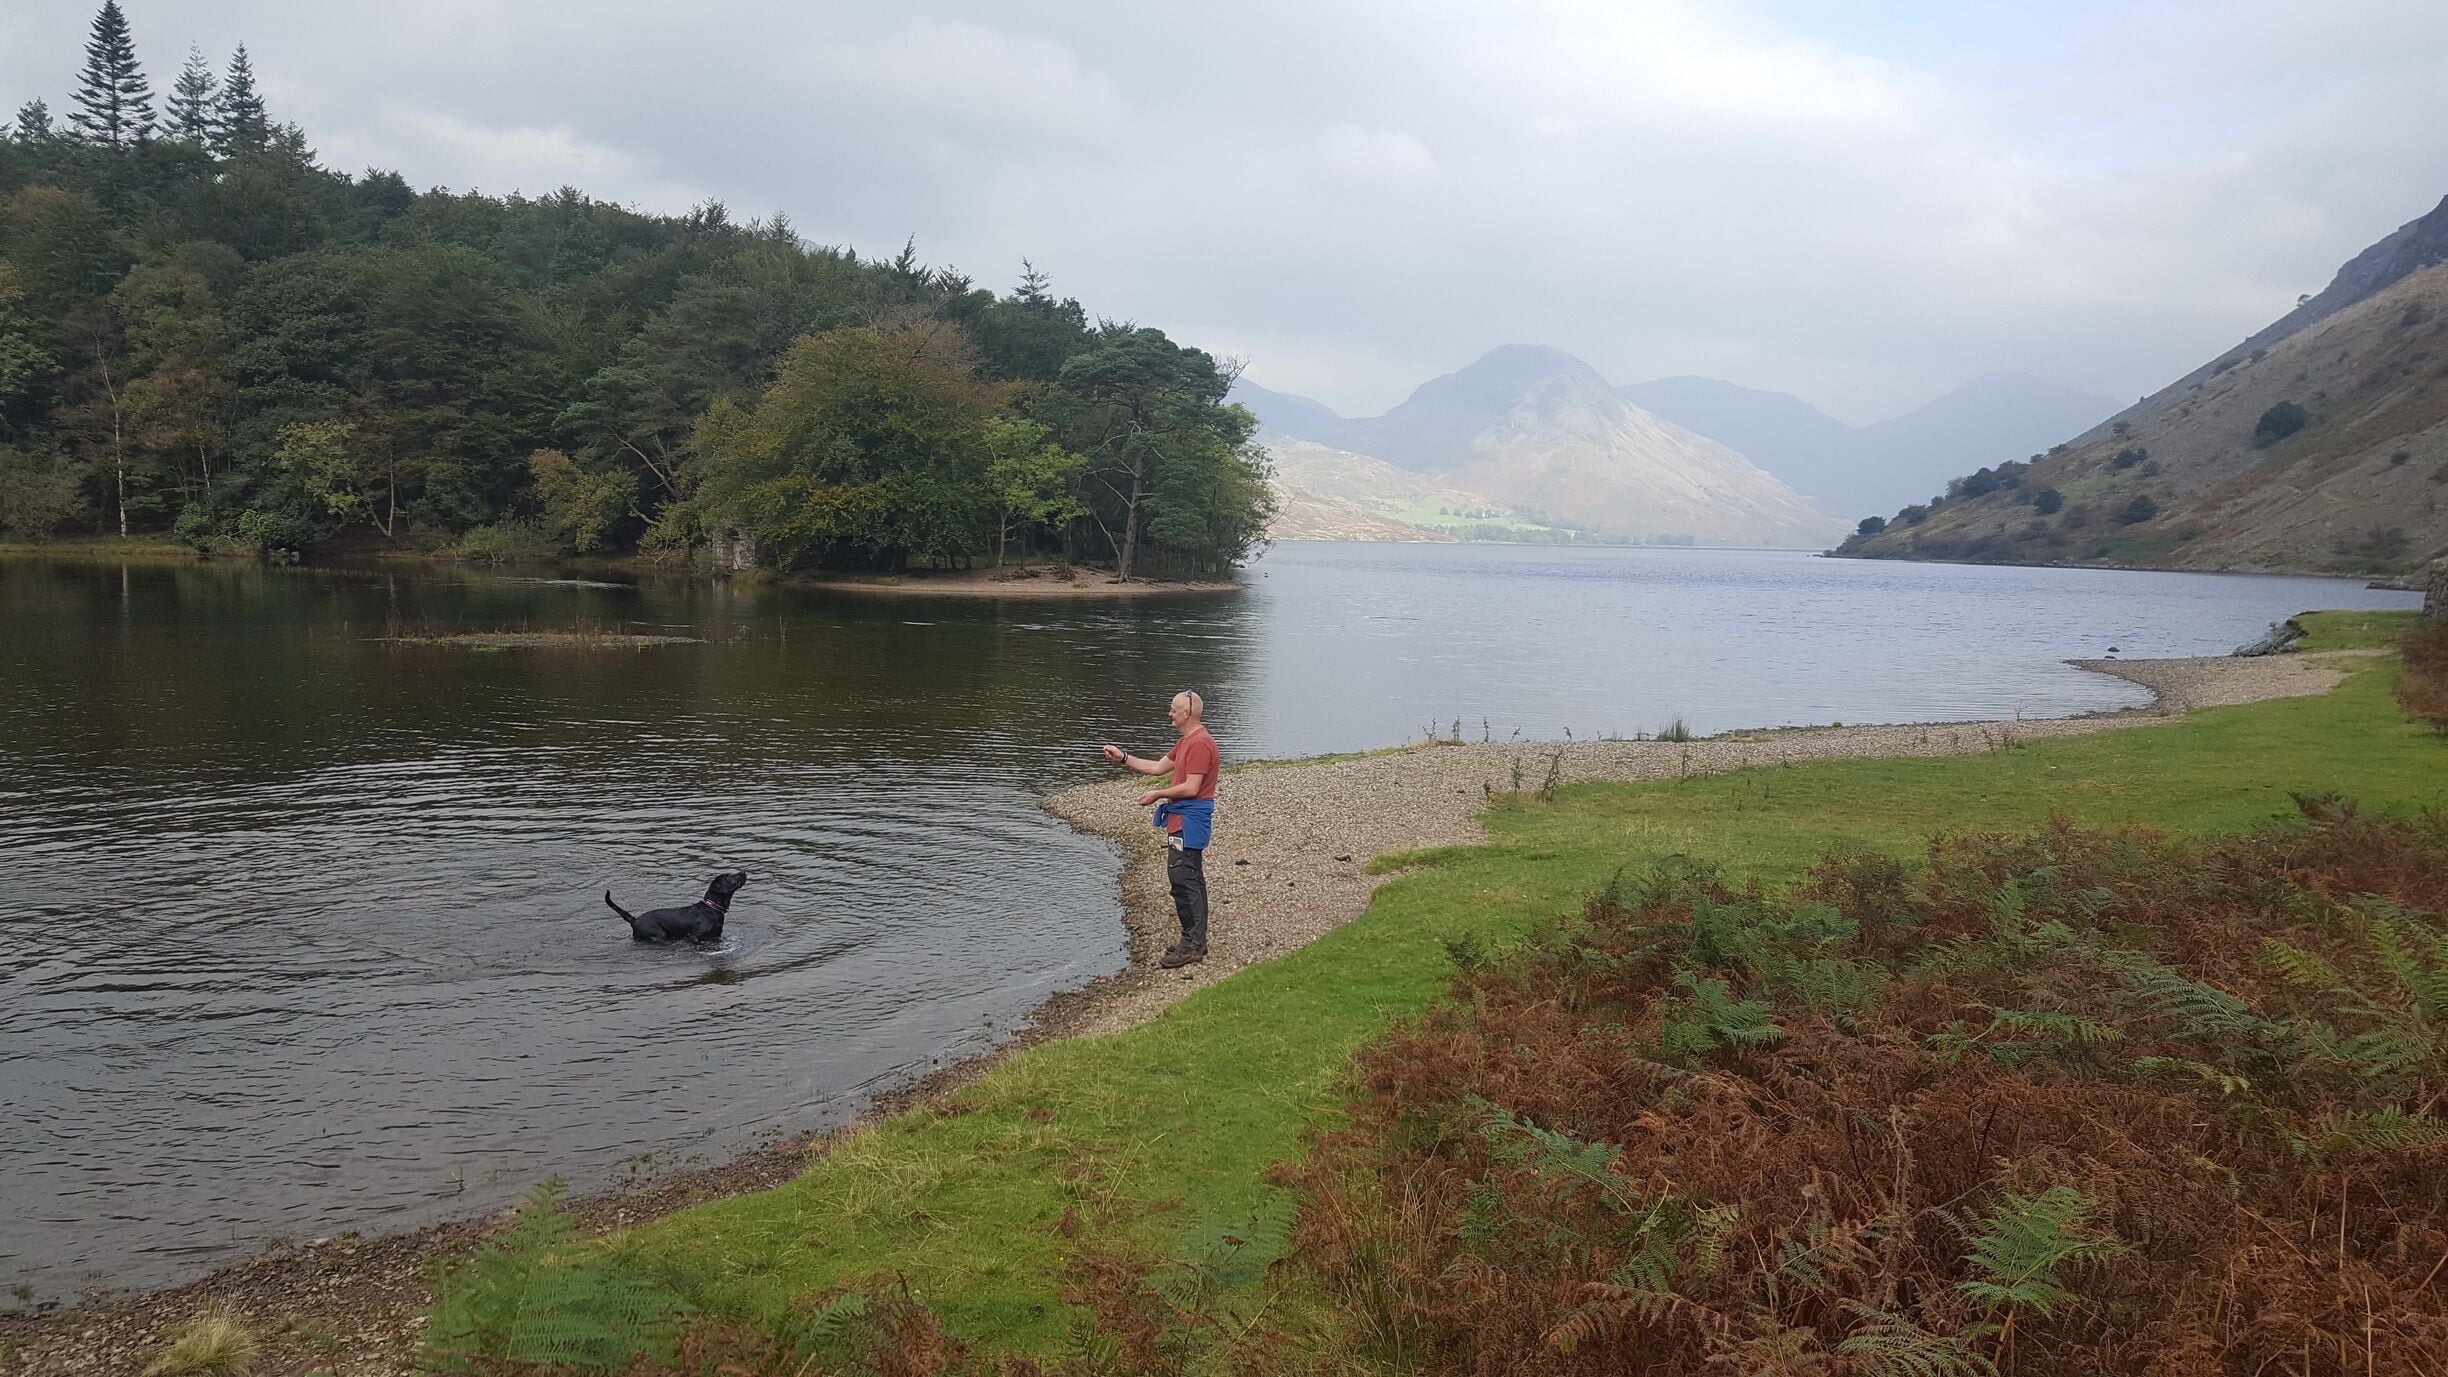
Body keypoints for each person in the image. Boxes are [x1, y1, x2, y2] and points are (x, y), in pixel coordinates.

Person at [1100, 690, 1219, 968]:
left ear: (1186, 713)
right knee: (1186, 877)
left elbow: (1191, 788)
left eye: (1173, 709)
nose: (1170, 714)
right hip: (1181, 820)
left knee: (1184, 878)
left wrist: (1158, 794)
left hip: (1190, 821)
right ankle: (1192, 940)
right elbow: (1157, 767)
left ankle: (1193, 945)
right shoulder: (1186, 742)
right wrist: (1123, 758)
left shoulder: (1201, 743)